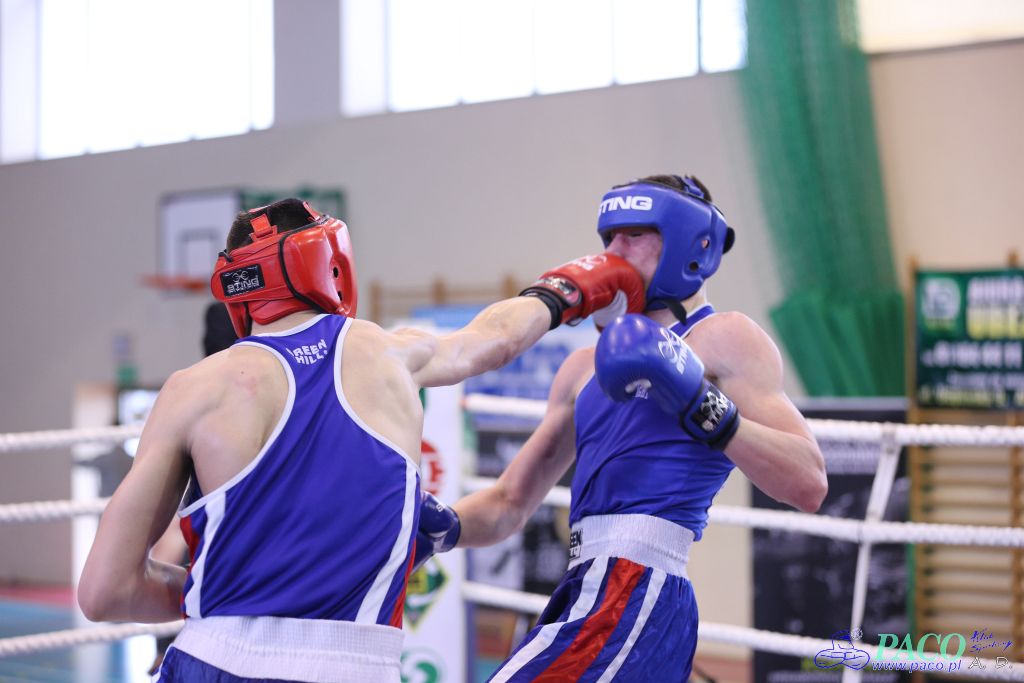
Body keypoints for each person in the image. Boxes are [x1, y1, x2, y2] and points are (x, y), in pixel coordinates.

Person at [77, 197, 646, 683]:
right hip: (353, 665)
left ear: (236, 289)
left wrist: (228, 597)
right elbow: (494, 340)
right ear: (330, 262)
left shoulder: (192, 389)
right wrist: (563, 290)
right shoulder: (388, 353)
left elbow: (104, 592)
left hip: (211, 657)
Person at [417, 175, 829, 682]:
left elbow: (809, 481)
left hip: (640, 590)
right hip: (586, 586)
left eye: (634, 235)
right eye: (608, 237)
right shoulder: (581, 369)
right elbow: (507, 503)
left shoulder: (724, 338)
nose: (614, 252)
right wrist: (437, 527)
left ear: (689, 246)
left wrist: (701, 404)